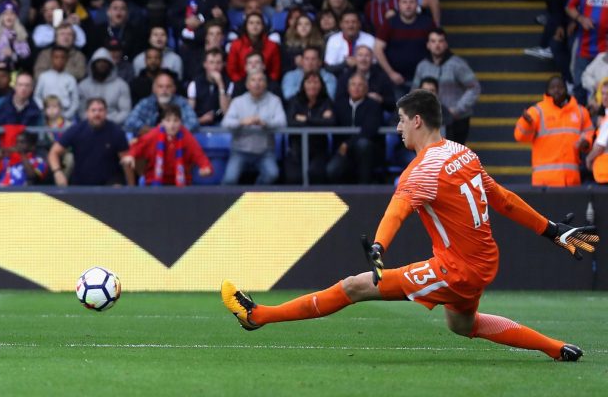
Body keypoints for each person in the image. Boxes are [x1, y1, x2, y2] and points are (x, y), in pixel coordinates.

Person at [223, 89, 598, 363]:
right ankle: (554, 347)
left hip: (456, 270)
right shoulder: (463, 153)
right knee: (461, 325)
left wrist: (380, 247)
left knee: (354, 286)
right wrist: (551, 229)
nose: (399, 129)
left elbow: (397, 210)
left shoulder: (422, 170)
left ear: (417, 120)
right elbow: (502, 199)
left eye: (401, 120)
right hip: (482, 264)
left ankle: (258, 316)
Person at [515, 76, 594, 187]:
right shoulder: (537, 111)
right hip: (544, 182)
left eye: (560, 87)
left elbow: (589, 131)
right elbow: (520, 137)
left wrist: (586, 142)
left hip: (571, 181)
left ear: (566, 90)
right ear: (547, 91)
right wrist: (526, 123)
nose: (556, 90)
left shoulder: (580, 111)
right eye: (552, 88)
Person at [413, 29, 481, 143]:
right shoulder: (422, 66)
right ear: (428, 45)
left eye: (440, 41)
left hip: (457, 120)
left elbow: (474, 87)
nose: (437, 45)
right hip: (430, 121)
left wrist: (457, 109)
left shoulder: (457, 64)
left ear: (445, 44)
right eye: (433, 41)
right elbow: (414, 93)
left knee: (454, 156)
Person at [220, 70, 286, 185]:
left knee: (273, 174)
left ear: (266, 84)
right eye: (253, 80)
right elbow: (225, 123)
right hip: (240, 151)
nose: (257, 83)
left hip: (265, 152)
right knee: (230, 179)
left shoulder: (274, 100)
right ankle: (222, 202)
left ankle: (254, 194)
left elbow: (282, 122)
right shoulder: (238, 101)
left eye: (260, 80)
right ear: (247, 84)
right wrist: (242, 122)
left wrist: (266, 123)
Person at [122, 103, 211, 186]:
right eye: (168, 121)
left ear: (180, 122)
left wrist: (205, 167)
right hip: (154, 181)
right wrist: (130, 156)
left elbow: (198, 153)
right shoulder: (154, 134)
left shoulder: (186, 136)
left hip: (180, 183)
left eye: (175, 121)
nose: (172, 125)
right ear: (162, 122)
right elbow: (139, 146)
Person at [48, 98, 129, 186]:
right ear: (87, 113)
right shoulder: (76, 130)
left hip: (111, 183)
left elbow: (126, 162)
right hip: (81, 183)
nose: (97, 113)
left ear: (106, 112)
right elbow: (53, 152)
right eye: (93, 110)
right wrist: (57, 172)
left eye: (100, 110)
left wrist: (131, 188)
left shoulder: (116, 132)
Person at [374, 0, 435, 95]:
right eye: (404, 2)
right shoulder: (390, 23)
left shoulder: (427, 23)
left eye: (411, 2)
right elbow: (377, 48)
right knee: (401, 111)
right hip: (395, 80)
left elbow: (437, 47)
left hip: (423, 80)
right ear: (399, 5)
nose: (408, 5)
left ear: (417, 5)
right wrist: (391, 73)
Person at [284, 71, 335, 185]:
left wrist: (306, 120)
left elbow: (331, 122)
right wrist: (319, 119)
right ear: (303, 85)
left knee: (315, 174)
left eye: (316, 82)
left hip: (319, 150)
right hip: (296, 149)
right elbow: (290, 122)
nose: (312, 85)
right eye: (309, 82)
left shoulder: (326, 101)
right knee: (293, 177)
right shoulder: (295, 100)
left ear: (321, 85)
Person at [125, 72, 200, 134]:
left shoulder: (182, 103)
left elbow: (193, 123)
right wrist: (154, 131)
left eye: (168, 87)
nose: (164, 90)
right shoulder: (146, 102)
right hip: (151, 142)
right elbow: (130, 121)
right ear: (154, 89)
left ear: (174, 89)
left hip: (176, 142)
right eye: (160, 87)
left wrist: (172, 130)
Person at [79, 49, 131, 125]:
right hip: (89, 126)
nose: (101, 65)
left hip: (115, 126)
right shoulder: (83, 85)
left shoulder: (121, 85)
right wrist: (95, 121)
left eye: (104, 62)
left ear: (110, 65)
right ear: (92, 65)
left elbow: (125, 111)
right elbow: (81, 111)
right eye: (98, 62)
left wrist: (107, 123)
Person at [187, 48, 232, 126]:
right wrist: (201, 120)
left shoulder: (229, 83)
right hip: (199, 123)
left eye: (218, 63)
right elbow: (189, 115)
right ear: (205, 64)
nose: (215, 66)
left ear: (223, 64)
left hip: (221, 124)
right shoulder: (194, 84)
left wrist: (220, 84)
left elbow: (226, 113)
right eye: (211, 62)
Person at [34, 46, 79, 121]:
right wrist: (44, 109)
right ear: (51, 59)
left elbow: (75, 100)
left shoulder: (70, 79)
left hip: (66, 114)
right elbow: (37, 96)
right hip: (47, 115)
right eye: (56, 57)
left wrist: (67, 115)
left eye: (62, 57)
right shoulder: (43, 77)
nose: (59, 60)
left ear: (67, 60)